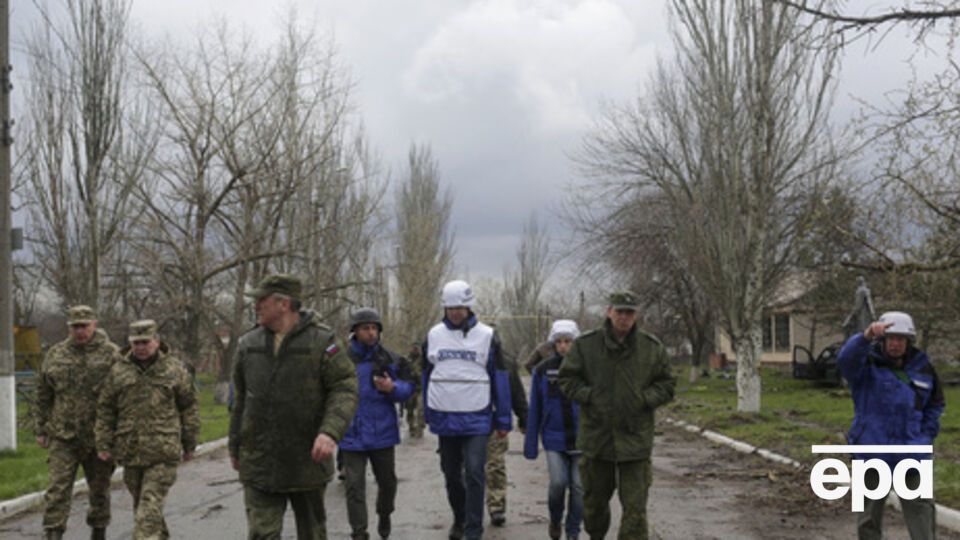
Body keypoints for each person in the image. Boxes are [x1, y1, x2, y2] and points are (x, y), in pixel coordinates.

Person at [229, 274, 358, 540]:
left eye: (261, 300)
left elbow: (344, 387)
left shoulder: (323, 342)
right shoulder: (248, 344)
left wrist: (330, 431)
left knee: (312, 533)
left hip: (307, 459)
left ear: (283, 304)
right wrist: (235, 445)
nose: (256, 306)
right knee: (262, 534)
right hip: (259, 460)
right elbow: (241, 400)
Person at [558, 291, 676, 540]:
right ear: (609, 312)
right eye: (620, 311)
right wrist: (589, 395)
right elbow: (567, 379)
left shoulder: (650, 348)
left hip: (635, 439)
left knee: (635, 508)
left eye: (629, 312)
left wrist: (644, 399)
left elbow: (666, 384)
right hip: (597, 438)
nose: (624, 317)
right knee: (594, 505)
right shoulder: (586, 346)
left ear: (636, 315)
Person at [837, 311, 945, 540]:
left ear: (908, 342)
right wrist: (865, 337)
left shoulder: (923, 368)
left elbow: (935, 405)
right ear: (883, 340)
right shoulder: (865, 367)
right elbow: (845, 360)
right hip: (872, 452)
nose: (895, 344)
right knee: (868, 518)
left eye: (901, 339)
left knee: (922, 513)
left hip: (912, 454)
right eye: (891, 338)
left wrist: (925, 436)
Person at [423, 279, 512, 540]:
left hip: (477, 416)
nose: (455, 312)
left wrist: (503, 417)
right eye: (450, 308)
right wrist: (428, 411)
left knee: (474, 471)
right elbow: (427, 375)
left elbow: (500, 377)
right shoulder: (434, 335)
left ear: (469, 307)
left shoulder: (487, 336)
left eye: (460, 307)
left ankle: (474, 528)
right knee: (451, 474)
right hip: (445, 416)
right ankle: (459, 518)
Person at [95, 319, 200, 540]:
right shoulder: (119, 371)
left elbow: (188, 406)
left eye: (145, 342)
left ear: (157, 341)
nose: (141, 347)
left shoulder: (173, 369)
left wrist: (190, 442)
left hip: (163, 451)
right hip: (131, 452)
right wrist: (103, 443)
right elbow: (106, 409)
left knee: (147, 512)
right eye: (136, 343)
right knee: (143, 509)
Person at [34, 305, 119, 540]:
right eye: (75, 327)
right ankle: (53, 532)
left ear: (94, 325)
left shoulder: (112, 354)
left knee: (99, 490)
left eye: (84, 326)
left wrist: (119, 432)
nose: (80, 331)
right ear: (69, 328)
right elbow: (43, 393)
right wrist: (41, 427)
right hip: (63, 435)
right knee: (57, 489)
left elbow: (123, 394)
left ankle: (98, 532)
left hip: (98, 436)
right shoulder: (56, 353)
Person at [340, 308, 416, 540]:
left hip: (382, 431)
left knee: (388, 483)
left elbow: (410, 387)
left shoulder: (390, 359)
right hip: (351, 433)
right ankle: (359, 532)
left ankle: (384, 514)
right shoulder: (340, 359)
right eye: (366, 328)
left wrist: (393, 388)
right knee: (354, 487)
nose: (371, 333)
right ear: (355, 331)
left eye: (374, 328)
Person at [525, 320, 584, 540]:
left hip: (583, 438)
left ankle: (573, 530)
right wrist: (531, 444)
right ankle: (555, 518)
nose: (563, 346)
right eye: (559, 342)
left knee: (579, 489)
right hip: (553, 438)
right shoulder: (543, 370)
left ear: (575, 343)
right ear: (553, 343)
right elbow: (536, 408)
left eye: (568, 341)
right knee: (558, 483)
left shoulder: (587, 368)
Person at [485, 340, 527, 527]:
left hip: (496, 422)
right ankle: (467, 507)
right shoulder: (468, 361)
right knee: (469, 467)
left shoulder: (506, 363)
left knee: (495, 465)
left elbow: (517, 392)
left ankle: (497, 507)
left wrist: (523, 417)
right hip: (468, 423)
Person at [403, 342, 425, 438]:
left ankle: (420, 428)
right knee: (410, 409)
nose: (415, 350)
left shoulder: (423, 360)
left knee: (421, 409)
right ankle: (411, 427)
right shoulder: (406, 360)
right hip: (409, 388)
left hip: (420, 388)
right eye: (413, 348)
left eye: (417, 348)